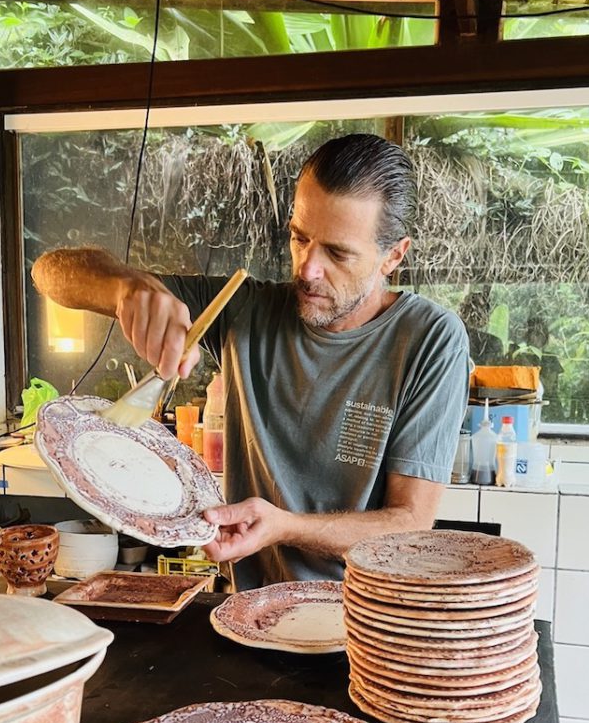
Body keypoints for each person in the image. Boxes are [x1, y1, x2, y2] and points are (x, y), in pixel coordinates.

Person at [32, 133, 470, 590]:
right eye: (300, 238)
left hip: (362, 622)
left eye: (337, 252)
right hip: (246, 608)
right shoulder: (241, 309)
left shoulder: (429, 339)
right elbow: (50, 273)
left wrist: (285, 527)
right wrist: (125, 288)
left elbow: (410, 523)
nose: (307, 268)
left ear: (393, 256)